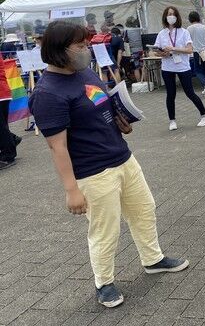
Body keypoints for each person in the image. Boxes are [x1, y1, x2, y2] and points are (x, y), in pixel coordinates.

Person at [28, 21, 189, 308]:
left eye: (86, 44)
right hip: (92, 172)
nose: (86, 50)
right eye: (79, 46)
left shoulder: (85, 73)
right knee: (105, 230)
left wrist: (118, 120)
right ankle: (104, 282)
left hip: (122, 157)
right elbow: (57, 146)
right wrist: (71, 190)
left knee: (144, 210)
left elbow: (101, 105)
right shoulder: (47, 93)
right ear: (58, 50)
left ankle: (152, 259)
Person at [153, 7, 205, 130]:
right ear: (165, 17)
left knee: (189, 93)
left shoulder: (184, 32)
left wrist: (173, 49)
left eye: (173, 14)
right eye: (169, 14)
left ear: (177, 16)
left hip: (182, 67)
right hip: (167, 67)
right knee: (170, 94)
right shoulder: (162, 33)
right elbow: (155, 51)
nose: (171, 16)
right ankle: (172, 120)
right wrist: (163, 53)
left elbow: (189, 50)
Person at [187, 11, 205, 97]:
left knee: (198, 71)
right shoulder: (204, 27)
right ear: (198, 17)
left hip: (197, 52)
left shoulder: (189, 28)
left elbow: (188, 40)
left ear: (190, 19)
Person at [0, 53, 17, 169]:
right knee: (2, 126)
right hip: (3, 92)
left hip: (1, 93)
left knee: (1, 127)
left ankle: (8, 155)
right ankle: (12, 139)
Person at [124, 16, 143, 82]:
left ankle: (139, 82)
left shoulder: (126, 31)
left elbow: (126, 40)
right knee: (143, 66)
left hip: (133, 50)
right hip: (142, 49)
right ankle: (146, 82)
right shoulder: (140, 29)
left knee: (136, 68)